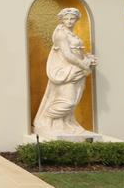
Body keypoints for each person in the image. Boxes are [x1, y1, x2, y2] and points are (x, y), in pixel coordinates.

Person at [33, 7, 98, 137]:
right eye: (66, 18)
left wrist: (88, 58)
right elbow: (67, 55)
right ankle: (46, 120)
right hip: (66, 72)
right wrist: (84, 64)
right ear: (62, 20)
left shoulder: (72, 34)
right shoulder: (60, 34)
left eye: (72, 18)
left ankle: (63, 123)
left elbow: (77, 52)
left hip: (76, 70)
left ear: (76, 20)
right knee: (68, 101)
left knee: (74, 99)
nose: (69, 21)